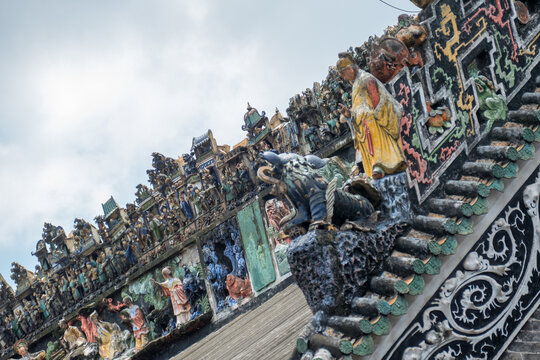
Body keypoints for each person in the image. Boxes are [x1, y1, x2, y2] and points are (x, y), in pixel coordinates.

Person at [337, 54, 407, 179]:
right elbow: (361, 105)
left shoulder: (366, 78)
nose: (343, 78)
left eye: (342, 74)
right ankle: (376, 167)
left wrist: (375, 116)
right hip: (362, 124)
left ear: (349, 69)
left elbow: (376, 101)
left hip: (371, 122)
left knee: (378, 148)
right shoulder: (355, 84)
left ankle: (381, 164)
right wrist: (349, 114)